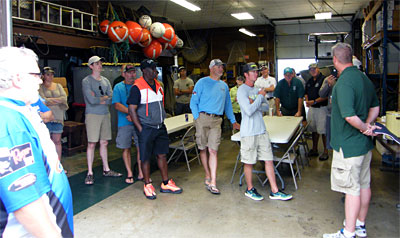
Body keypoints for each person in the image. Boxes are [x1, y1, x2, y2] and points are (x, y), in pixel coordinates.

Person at [0, 46, 73, 237]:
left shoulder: (21, 111)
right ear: (17, 78)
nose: (40, 80)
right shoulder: (9, 124)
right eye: (35, 74)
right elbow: (25, 202)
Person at [323, 43, 380, 238]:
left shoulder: (344, 82)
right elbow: (375, 107)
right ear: (352, 57)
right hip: (364, 147)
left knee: (351, 189)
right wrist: (368, 125)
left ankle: (348, 233)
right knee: (364, 185)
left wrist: (364, 127)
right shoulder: (363, 78)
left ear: (335, 60)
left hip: (348, 147)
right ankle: (360, 226)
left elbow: (348, 116)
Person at [237, 62, 293, 201]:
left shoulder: (257, 89)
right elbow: (249, 111)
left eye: (257, 71)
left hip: (261, 130)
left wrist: (256, 100)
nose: (256, 74)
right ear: (246, 74)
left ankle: (275, 190)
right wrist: (260, 97)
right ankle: (250, 189)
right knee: (249, 162)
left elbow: (265, 107)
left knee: (268, 159)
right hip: (249, 132)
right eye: (253, 72)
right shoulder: (242, 91)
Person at [128, 59, 182, 200]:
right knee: (145, 157)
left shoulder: (159, 85)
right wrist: (140, 129)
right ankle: (147, 184)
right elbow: (132, 110)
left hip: (160, 126)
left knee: (162, 154)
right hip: (146, 128)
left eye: (155, 69)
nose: (155, 71)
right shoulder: (137, 88)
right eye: (152, 69)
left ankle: (165, 183)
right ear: (144, 71)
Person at [190, 59, 240, 195]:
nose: (221, 68)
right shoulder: (202, 82)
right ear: (211, 68)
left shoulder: (223, 86)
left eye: (222, 66)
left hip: (217, 121)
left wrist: (233, 121)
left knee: (213, 150)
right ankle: (207, 173)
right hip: (202, 118)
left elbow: (228, 105)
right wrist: (197, 118)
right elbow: (193, 102)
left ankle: (213, 181)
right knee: (202, 148)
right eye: (218, 66)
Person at [82, 56, 122, 185]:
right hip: (93, 115)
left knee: (104, 142)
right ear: (91, 66)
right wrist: (104, 98)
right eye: (97, 63)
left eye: (100, 63)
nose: (100, 65)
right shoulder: (86, 81)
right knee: (92, 143)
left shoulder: (106, 81)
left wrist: (101, 98)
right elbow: (91, 100)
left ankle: (106, 169)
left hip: (105, 114)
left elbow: (111, 99)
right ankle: (89, 173)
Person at [112, 64, 145, 184]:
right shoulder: (118, 87)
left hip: (138, 121)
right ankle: (130, 173)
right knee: (125, 147)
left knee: (140, 147)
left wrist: (134, 115)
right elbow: (116, 104)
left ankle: (141, 172)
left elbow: (143, 102)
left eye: (133, 72)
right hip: (124, 122)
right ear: (123, 74)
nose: (132, 75)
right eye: (129, 72)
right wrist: (130, 113)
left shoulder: (139, 86)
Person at [39, 66, 68, 163]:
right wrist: (56, 100)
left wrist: (50, 101)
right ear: (43, 76)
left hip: (58, 116)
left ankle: (58, 163)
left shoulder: (58, 86)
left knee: (57, 141)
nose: (50, 76)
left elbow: (64, 98)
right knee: (47, 141)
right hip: (46, 117)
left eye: (52, 74)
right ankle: (48, 164)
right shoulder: (40, 87)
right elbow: (43, 101)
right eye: (48, 74)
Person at [304, 63, 329, 161]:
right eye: (311, 70)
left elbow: (326, 95)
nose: (312, 71)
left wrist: (314, 101)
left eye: (314, 69)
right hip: (312, 108)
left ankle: (325, 151)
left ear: (318, 69)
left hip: (322, 108)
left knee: (323, 130)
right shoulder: (309, 81)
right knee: (313, 129)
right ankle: (314, 149)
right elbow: (306, 92)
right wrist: (307, 101)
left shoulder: (324, 79)